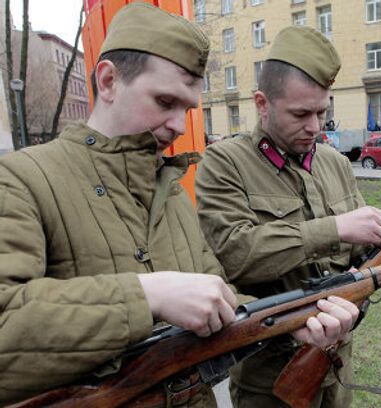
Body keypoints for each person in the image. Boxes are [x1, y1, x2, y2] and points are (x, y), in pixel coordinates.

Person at [0, 5, 356, 406]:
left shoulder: (170, 190)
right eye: (164, 101)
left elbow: (221, 299)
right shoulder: (20, 179)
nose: (178, 125)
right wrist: (146, 294)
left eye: (186, 108)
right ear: (109, 80)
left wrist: (291, 322)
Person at [195, 26, 381, 408]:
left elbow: (360, 261)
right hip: (270, 377)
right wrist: (336, 228)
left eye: (322, 112)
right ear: (262, 103)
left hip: (337, 366)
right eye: (300, 113)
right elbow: (232, 253)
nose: (314, 127)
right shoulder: (225, 163)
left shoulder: (334, 162)